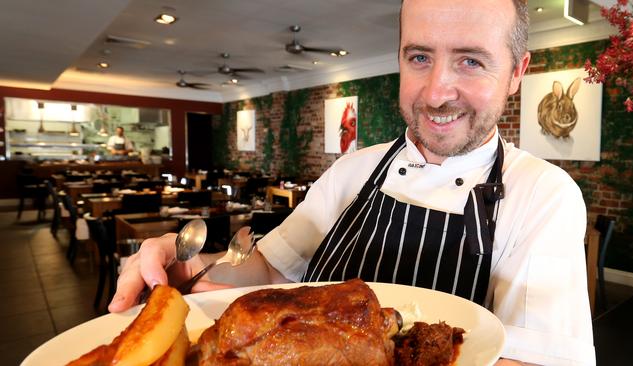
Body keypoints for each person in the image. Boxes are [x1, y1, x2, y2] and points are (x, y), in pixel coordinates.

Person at [109, 0, 595, 364]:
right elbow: (271, 272)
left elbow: (539, 359)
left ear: (517, 72)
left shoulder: (542, 195)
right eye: (419, 57)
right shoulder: (355, 169)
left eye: (471, 60)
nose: (436, 92)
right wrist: (186, 264)